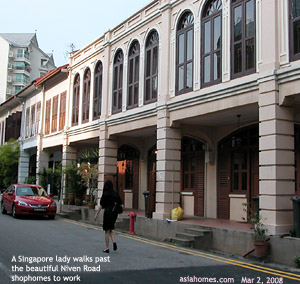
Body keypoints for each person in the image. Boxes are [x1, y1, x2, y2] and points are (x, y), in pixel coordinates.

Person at [94, 179, 122, 253]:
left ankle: (107, 248)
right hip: (114, 213)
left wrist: (96, 214)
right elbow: (120, 202)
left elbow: (101, 205)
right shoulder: (115, 193)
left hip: (108, 212)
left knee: (107, 230)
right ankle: (114, 241)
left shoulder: (105, 194)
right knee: (111, 229)